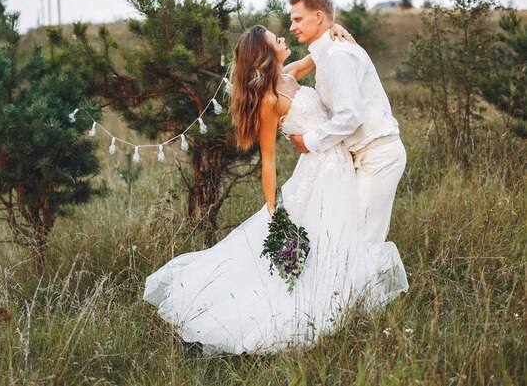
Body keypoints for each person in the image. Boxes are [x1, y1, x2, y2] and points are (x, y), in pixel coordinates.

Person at [143, 24, 408, 355]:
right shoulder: (269, 99)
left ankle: (343, 298)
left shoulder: (291, 73)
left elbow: (321, 52)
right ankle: (315, 307)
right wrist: (272, 208)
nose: (284, 40)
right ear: (266, 55)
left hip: (341, 166)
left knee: (340, 237)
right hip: (318, 174)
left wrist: (336, 29)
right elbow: (268, 160)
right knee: (322, 241)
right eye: (276, 40)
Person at [287, 0, 407, 247]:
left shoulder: (340, 54)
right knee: (342, 234)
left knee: (360, 238)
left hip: (378, 155)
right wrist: (334, 27)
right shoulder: (327, 52)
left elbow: (351, 117)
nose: (291, 27)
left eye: (297, 19)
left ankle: (362, 289)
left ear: (318, 17)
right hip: (356, 156)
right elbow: (292, 70)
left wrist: (308, 142)